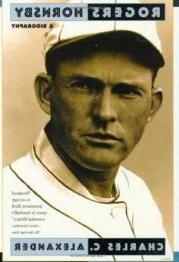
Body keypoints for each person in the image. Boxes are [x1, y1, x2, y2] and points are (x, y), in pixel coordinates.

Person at [3, 1, 172, 261]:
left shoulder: (138, 193)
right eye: (84, 86)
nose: (105, 113)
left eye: (127, 91)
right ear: (47, 93)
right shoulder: (7, 205)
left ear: (152, 105)